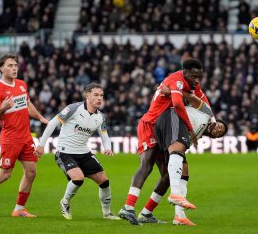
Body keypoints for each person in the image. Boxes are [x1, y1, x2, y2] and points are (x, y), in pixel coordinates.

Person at [118, 59, 212, 225]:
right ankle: (128, 206)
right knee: (146, 164)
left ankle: (146, 213)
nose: (197, 80)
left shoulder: (192, 85)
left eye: (200, 77)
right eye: (193, 76)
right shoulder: (176, 81)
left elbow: (205, 105)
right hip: (151, 124)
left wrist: (211, 121)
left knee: (169, 174)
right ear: (185, 72)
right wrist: (190, 128)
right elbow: (176, 104)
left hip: (164, 130)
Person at [0, 54, 48, 218]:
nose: (14, 68)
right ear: (1, 68)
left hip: (26, 136)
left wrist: (40, 117)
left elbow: (28, 104)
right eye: (10, 65)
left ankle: (19, 209)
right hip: (10, 138)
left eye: (15, 65)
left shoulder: (21, 84)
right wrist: (3, 108)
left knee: (31, 172)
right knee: (5, 175)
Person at [35, 83, 120, 221]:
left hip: (84, 153)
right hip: (65, 152)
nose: (100, 98)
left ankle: (107, 213)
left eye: (102, 95)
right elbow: (52, 123)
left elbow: (104, 135)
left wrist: (108, 147)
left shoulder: (101, 117)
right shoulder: (73, 108)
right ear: (87, 95)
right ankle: (65, 202)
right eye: (96, 95)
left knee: (104, 181)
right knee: (78, 178)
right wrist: (41, 145)